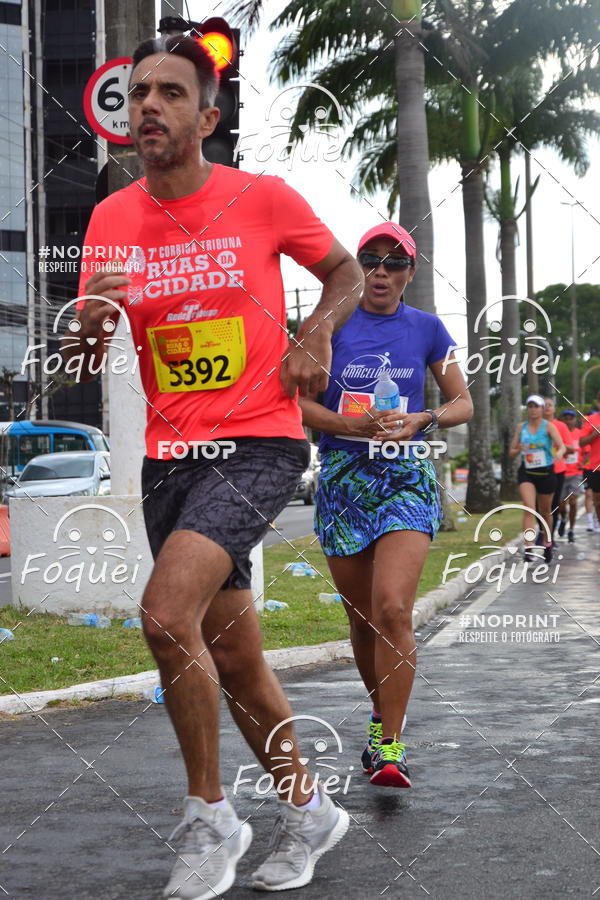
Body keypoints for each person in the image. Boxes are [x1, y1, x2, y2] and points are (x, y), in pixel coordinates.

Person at [63, 35, 363, 900]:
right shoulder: (111, 218)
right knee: (233, 657)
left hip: (259, 441)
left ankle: (209, 816)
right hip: (171, 455)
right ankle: (309, 810)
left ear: (207, 117)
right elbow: (91, 350)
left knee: (164, 614)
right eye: (137, 94)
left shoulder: (260, 199)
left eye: (168, 93)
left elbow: (341, 270)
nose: (147, 106)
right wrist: (90, 322)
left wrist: (313, 333)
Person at [299, 222, 473, 788]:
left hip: (406, 474)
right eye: (370, 260)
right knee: (363, 617)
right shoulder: (328, 325)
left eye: (394, 263)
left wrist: (423, 419)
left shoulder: (426, 328)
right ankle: (378, 720)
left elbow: (463, 401)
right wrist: (354, 424)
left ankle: (391, 745)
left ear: (410, 273)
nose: (380, 272)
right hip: (344, 476)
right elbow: (298, 404)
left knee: (394, 608)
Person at [509, 396, 566, 563]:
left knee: (545, 511)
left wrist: (559, 453)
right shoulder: (522, 427)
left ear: (542, 409)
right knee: (529, 508)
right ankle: (529, 547)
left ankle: (548, 543)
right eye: (530, 406)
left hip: (546, 473)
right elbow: (511, 452)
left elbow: (561, 445)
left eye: (536, 406)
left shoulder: (548, 427)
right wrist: (518, 448)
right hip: (527, 472)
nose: (533, 409)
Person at [543, 397, 571, 542]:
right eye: (544, 405)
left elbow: (569, 446)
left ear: (554, 409)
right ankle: (543, 531)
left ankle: (549, 538)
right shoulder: (534, 425)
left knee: (553, 505)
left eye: (550, 405)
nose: (547, 407)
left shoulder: (561, 426)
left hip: (557, 469)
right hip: (538, 469)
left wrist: (560, 449)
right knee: (537, 506)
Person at [556, 409, 582, 542]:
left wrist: (584, 462)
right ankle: (563, 519)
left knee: (573, 501)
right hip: (561, 472)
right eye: (565, 418)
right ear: (562, 420)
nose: (568, 421)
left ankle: (571, 530)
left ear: (575, 420)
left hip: (576, 473)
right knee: (561, 505)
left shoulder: (579, 434)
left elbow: (586, 451)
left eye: (570, 418)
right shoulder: (557, 434)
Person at [579, 408, 600, 531]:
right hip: (595, 467)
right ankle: (595, 522)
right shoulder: (591, 420)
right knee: (596, 499)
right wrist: (595, 433)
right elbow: (581, 443)